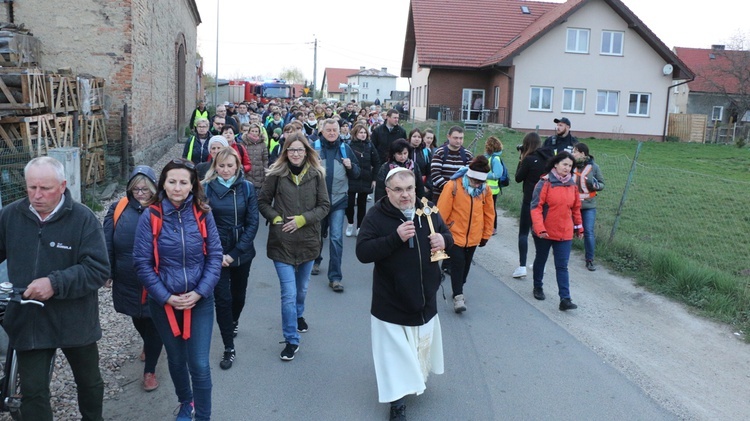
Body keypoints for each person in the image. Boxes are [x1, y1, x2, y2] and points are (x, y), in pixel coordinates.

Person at [0, 156, 109, 421]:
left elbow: (98, 270)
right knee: (34, 392)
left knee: (90, 383)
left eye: (45, 188)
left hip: (76, 317)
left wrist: (54, 283)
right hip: (30, 319)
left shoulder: (83, 218)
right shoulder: (11, 215)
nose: (37, 195)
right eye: (31, 187)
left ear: (62, 185)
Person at [355, 167, 452, 421]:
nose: (405, 195)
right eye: (398, 190)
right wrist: (394, 238)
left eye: (409, 188)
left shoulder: (427, 208)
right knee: (394, 356)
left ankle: (414, 381)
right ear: (387, 192)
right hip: (391, 301)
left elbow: (447, 235)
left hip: (424, 297)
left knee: (418, 348)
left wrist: (444, 240)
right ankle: (397, 404)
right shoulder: (377, 215)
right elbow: (363, 252)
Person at [133, 158, 223, 421]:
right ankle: (186, 403)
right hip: (164, 304)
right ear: (163, 183)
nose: (177, 187)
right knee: (175, 359)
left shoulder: (203, 213)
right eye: (172, 181)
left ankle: (203, 416)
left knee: (199, 364)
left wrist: (199, 292)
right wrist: (166, 297)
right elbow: (142, 262)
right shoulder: (151, 215)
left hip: (200, 301)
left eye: (183, 182)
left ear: (193, 184)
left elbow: (215, 255)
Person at [257, 132, 331, 361]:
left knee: (302, 289)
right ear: (285, 152)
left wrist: (302, 219)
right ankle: (291, 339)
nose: (296, 154)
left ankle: (299, 315)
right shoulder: (276, 174)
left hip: (309, 241)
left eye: (300, 150)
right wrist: (276, 218)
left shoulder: (317, 174)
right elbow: (262, 201)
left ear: (306, 152)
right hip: (283, 243)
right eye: (291, 150)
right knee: (288, 294)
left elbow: (324, 206)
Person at [103, 166, 163, 392]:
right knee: (137, 316)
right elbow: (107, 241)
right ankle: (148, 344)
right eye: (136, 189)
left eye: (145, 189)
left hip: (156, 277)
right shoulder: (117, 209)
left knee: (154, 320)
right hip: (127, 275)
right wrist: (107, 271)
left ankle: (150, 371)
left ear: (154, 188)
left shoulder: (163, 209)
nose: (140, 193)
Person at [202, 148, 259, 370]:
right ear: (215, 166)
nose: (226, 170)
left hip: (241, 251)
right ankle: (229, 346)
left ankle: (234, 321)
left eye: (229, 165)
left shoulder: (247, 188)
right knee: (222, 299)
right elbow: (203, 224)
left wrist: (234, 254)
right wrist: (218, 254)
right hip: (216, 252)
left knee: (238, 295)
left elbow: (252, 223)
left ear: (237, 166)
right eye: (221, 165)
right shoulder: (205, 188)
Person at [436, 156, 495, 313]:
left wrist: (486, 234)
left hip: (474, 236)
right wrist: (440, 233)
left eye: (480, 182)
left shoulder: (485, 190)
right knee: (458, 263)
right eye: (474, 181)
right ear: (468, 175)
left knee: (466, 267)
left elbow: (489, 213)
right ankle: (458, 296)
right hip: (453, 235)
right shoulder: (453, 186)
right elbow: (441, 212)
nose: (476, 184)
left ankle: (459, 286)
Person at [311, 119, 361, 292]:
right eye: (329, 130)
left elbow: (357, 173)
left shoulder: (345, 149)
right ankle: (316, 261)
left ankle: (335, 277)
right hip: (318, 201)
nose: (332, 133)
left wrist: (350, 166)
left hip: (339, 201)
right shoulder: (314, 147)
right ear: (322, 131)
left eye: (335, 130)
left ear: (339, 131)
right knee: (317, 235)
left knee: (335, 238)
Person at [530, 152, 583, 311]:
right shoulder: (544, 183)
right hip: (544, 232)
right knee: (541, 259)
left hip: (564, 232)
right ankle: (537, 287)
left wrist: (579, 227)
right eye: (564, 164)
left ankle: (565, 299)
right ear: (555, 164)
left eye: (570, 166)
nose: (567, 168)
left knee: (562, 266)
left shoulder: (572, 185)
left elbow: (576, 208)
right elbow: (535, 208)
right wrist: (540, 228)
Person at [512, 132, 553, 278]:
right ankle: (540, 264)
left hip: (529, 201)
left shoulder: (529, 159)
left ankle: (522, 266)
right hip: (545, 203)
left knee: (524, 233)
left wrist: (521, 159)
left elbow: (518, 178)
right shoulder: (549, 160)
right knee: (540, 233)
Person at [571, 143, 605, 271]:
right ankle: (562, 254)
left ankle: (590, 260)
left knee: (589, 232)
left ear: (583, 153)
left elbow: (602, 184)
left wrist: (596, 185)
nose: (573, 154)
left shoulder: (594, 167)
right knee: (567, 229)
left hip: (588, 206)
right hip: (571, 205)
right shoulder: (570, 165)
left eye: (575, 151)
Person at [345, 123, 380, 237]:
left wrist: (374, 179)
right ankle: (350, 223)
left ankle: (359, 227)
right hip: (351, 178)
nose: (363, 135)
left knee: (362, 205)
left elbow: (376, 163)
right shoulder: (349, 145)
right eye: (360, 132)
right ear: (355, 133)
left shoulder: (370, 146)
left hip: (366, 179)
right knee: (349, 204)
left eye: (365, 132)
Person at [430, 126, 473, 201]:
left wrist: (458, 190)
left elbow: (470, 175)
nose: (458, 141)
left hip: (460, 196)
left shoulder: (468, 155)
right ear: (448, 137)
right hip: (440, 195)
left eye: (461, 138)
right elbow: (435, 174)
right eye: (455, 138)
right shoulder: (440, 153)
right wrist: (449, 188)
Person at [484, 136, 508, 235]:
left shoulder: (495, 159)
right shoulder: (489, 158)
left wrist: (485, 174)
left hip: (492, 189)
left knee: (491, 209)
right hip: (487, 188)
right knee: (487, 208)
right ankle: (487, 226)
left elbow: (498, 174)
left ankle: (493, 227)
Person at [243, 122, 269, 189]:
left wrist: (265, 171)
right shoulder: (244, 143)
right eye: (252, 131)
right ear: (249, 131)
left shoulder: (262, 144)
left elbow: (265, 159)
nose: (254, 133)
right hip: (247, 173)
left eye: (256, 131)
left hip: (260, 173)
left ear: (259, 132)